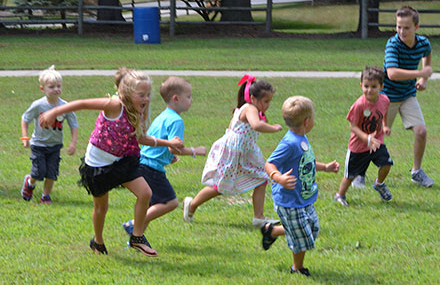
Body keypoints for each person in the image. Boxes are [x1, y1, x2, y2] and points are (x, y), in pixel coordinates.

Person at [39, 70, 184, 256]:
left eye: (148, 95)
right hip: (98, 166)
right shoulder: (115, 105)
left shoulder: (138, 112)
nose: (146, 99)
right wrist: (54, 112)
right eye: (141, 95)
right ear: (127, 93)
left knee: (145, 192)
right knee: (101, 207)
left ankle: (137, 237)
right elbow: (82, 103)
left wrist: (168, 144)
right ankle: (97, 241)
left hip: (122, 161)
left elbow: (141, 138)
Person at [183, 75, 282, 227]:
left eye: (269, 101)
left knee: (262, 179)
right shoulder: (250, 108)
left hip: (246, 152)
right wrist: (273, 128)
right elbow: (256, 125)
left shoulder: (247, 109)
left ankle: (259, 217)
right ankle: (192, 205)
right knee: (221, 187)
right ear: (253, 98)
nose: (268, 105)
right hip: (235, 153)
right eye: (265, 101)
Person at [261, 96, 339, 277]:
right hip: (289, 201)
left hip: (302, 197)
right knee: (301, 239)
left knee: (312, 229)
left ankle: (271, 231)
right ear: (307, 121)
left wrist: (325, 167)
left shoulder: (301, 139)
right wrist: (278, 177)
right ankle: (297, 268)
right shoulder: (290, 143)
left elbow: (307, 162)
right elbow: (269, 163)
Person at [122, 76, 206, 235]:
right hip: (152, 169)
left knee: (149, 205)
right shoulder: (176, 121)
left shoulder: (163, 115)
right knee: (171, 202)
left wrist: (168, 156)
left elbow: (161, 143)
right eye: (188, 97)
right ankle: (133, 224)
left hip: (142, 163)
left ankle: (135, 240)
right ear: (176, 98)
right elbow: (175, 148)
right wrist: (195, 151)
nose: (191, 100)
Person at [382, 6, 434, 187]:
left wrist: (423, 79)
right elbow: (392, 74)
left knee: (421, 131)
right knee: (373, 135)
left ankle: (416, 172)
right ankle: (358, 173)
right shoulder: (393, 44)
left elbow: (427, 54)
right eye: (398, 27)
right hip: (386, 96)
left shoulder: (422, 43)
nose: (402, 31)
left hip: (408, 95)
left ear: (416, 27)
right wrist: (419, 72)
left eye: (406, 27)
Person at [334, 66, 394, 207]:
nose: (369, 90)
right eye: (366, 86)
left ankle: (379, 184)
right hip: (358, 147)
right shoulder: (359, 105)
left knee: (387, 163)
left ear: (381, 86)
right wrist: (367, 139)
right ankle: (340, 195)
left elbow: (384, 112)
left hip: (377, 142)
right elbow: (353, 126)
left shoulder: (384, 100)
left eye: (374, 86)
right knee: (350, 176)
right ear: (361, 85)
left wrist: (385, 125)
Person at [21, 65, 79, 204]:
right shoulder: (38, 105)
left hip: (55, 145)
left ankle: (45, 196)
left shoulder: (65, 106)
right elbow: (25, 118)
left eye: (58, 86)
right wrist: (25, 137)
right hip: (38, 144)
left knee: (52, 173)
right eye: (52, 87)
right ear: (43, 89)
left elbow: (73, 124)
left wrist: (73, 143)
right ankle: (30, 182)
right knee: (38, 172)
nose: (56, 89)